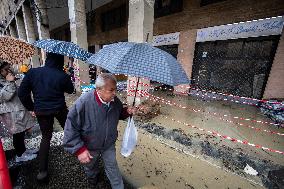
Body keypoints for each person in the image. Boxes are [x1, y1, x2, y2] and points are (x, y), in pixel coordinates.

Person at [63, 73, 138, 189]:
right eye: (111, 90)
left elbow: (118, 114)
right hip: (90, 145)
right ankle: (94, 179)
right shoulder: (84, 102)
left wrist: (127, 111)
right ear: (98, 89)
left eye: (115, 89)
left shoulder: (114, 100)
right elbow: (70, 127)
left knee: (112, 166)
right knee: (90, 167)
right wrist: (79, 149)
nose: (115, 93)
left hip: (108, 144)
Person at [18, 52, 74, 182]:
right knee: (70, 129)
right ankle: (79, 152)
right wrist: (67, 77)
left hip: (41, 111)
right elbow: (70, 90)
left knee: (46, 137)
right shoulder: (62, 75)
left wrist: (32, 107)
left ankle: (42, 172)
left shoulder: (32, 73)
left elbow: (22, 93)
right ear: (60, 61)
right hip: (60, 109)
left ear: (47, 59)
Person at [0, 60, 37, 163]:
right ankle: (20, 155)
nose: (9, 71)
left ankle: (24, 151)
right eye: (6, 69)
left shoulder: (5, 79)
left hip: (16, 109)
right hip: (9, 112)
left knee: (21, 131)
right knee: (17, 133)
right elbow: (4, 96)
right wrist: (9, 82)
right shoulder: (4, 81)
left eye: (9, 68)